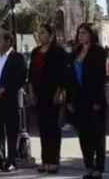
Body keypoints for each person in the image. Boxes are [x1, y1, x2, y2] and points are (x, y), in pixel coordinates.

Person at [65, 22, 108, 178]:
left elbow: (99, 77)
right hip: (78, 99)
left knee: (97, 134)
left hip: (94, 98)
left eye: (84, 33)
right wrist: (69, 99)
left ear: (91, 34)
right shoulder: (74, 52)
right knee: (84, 135)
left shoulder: (98, 51)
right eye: (79, 33)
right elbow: (69, 77)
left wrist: (98, 100)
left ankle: (99, 167)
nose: (80, 36)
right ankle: (88, 165)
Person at [0, 31, 28, 172]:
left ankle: (12, 160)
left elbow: (20, 77)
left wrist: (5, 88)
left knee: (11, 130)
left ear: (9, 41)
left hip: (9, 98)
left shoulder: (17, 58)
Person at [28, 23, 68, 174]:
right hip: (39, 94)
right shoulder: (35, 52)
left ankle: (54, 161)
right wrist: (31, 91)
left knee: (53, 128)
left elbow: (62, 74)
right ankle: (45, 160)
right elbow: (31, 73)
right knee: (43, 128)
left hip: (52, 94)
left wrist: (58, 92)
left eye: (43, 33)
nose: (40, 35)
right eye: (40, 33)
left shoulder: (58, 52)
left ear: (51, 35)